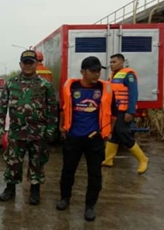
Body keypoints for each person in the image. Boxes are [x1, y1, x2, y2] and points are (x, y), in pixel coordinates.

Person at [56, 56, 116, 221]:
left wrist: (108, 132)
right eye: (93, 71)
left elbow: (113, 114)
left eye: (98, 71)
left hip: (94, 139)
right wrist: (62, 127)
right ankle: (65, 198)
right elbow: (63, 109)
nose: (97, 74)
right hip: (73, 137)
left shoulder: (105, 89)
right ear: (83, 72)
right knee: (68, 171)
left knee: (95, 174)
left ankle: (90, 205)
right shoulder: (72, 87)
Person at [0, 50, 58, 205]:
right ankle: (10, 188)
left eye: (31, 62)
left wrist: (51, 128)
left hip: (38, 132)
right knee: (13, 161)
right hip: (17, 131)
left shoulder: (45, 85)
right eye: (25, 62)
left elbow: (52, 108)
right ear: (20, 64)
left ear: (36, 64)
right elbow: (2, 106)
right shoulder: (11, 83)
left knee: (37, 162)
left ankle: (35, 191)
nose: (28, 65)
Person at [102, 53, 149, 174]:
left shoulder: (129, 75)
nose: (112, 64)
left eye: (114, 62)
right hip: (115, 111)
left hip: (124, 111)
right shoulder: (113, 76)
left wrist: (130, 111)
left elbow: (133, 93)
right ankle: (108, 160)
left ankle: (143, 159)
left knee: (124, 134)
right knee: (115, 134)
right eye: (111, 62)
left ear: (122, 62)